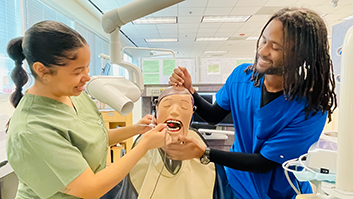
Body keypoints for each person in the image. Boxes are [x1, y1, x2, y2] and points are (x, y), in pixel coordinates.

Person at [167, 7, 337, 199]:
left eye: (275, 47)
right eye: (264, 40)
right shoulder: (242, 76)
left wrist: (204, 153)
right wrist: (191, 91)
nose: (262, 51)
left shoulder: (310, 109)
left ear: (300, 56)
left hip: (281, 193)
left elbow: (263, 163)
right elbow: (213, 115)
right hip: (235, 183)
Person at [6, 20, 168, 199]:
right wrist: (145, 145)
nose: (87, 77)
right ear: (42, 70)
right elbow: (90, 189)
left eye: (87, 67)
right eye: (77, 71)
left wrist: (137, 129)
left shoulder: (74, 94)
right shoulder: (31, 130)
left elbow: (91, 139)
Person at [104, 86, 235, 199]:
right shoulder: (143, 144)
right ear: (156, 111)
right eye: (167, 105)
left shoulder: (200, 146)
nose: (174, 111)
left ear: (192, 113)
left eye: (184, 107)